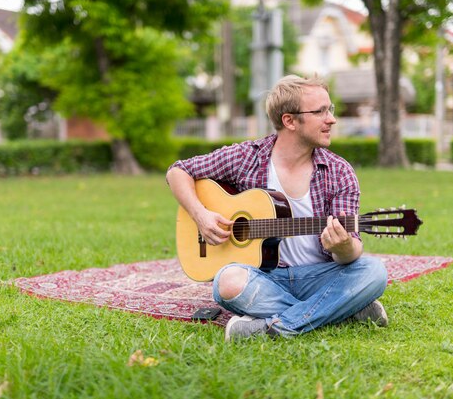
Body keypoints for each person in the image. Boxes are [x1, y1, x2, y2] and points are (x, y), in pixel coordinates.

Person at [166, 75, 388, 341]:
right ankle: (342, 310)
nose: (332, 119)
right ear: (289, 120)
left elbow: (350, 253)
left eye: (330, 109)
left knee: (373, 272)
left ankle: (273, 327)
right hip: (263, 278)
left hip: (318, 277)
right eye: (320, 111)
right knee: (227, 281)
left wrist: (342, 246)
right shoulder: (246, 157)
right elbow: (178, 171)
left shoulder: (339, 172)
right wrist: (200, 216)